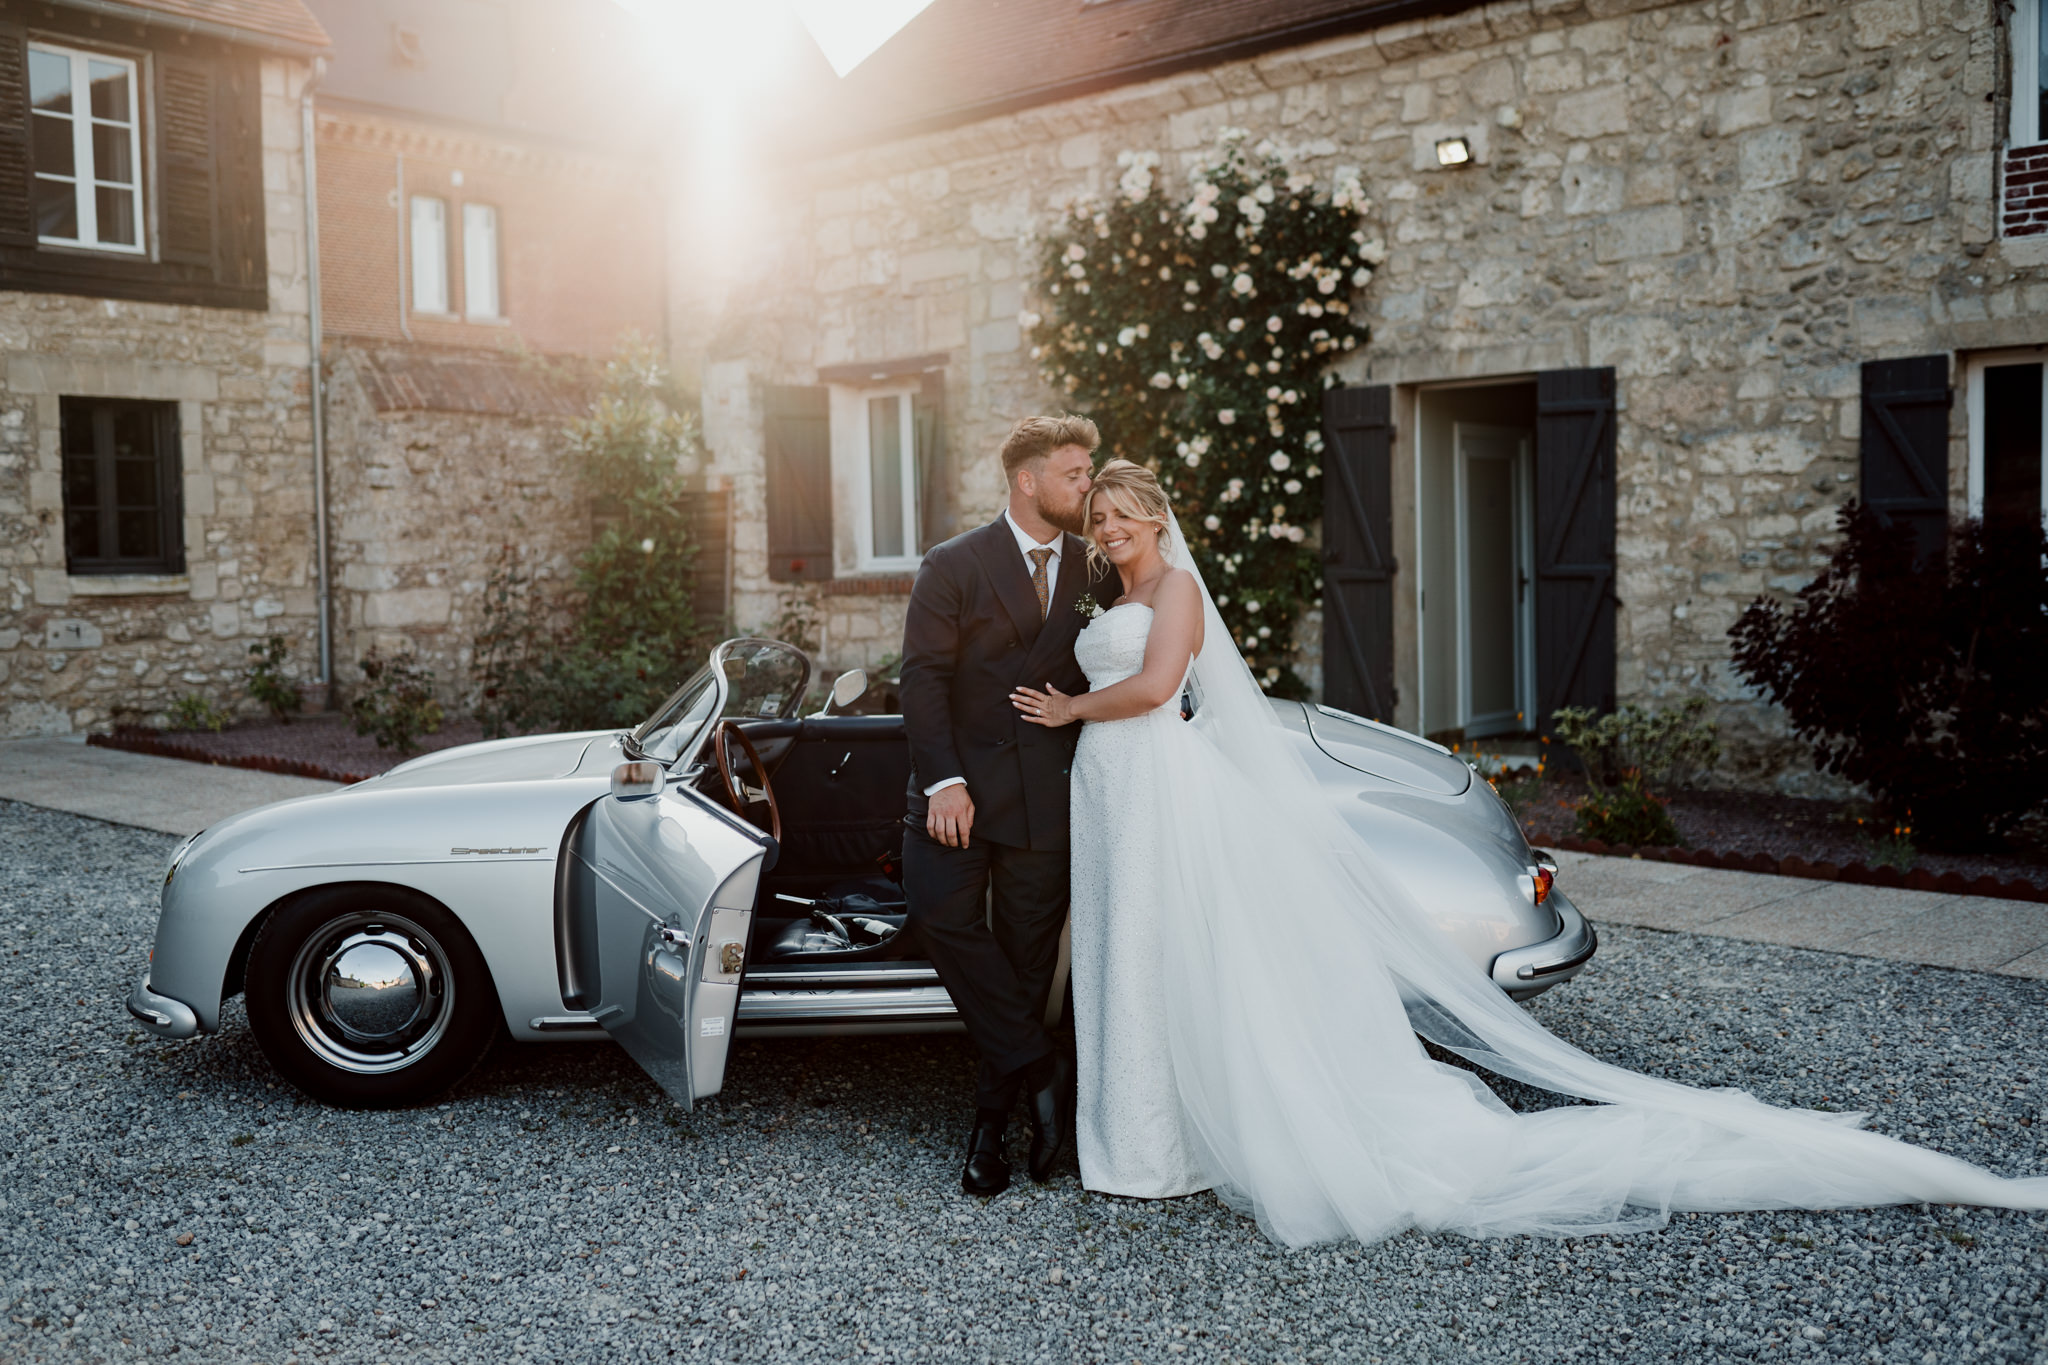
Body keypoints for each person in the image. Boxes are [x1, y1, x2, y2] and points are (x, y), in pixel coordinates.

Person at [1011, 459, 2048, 1246]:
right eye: (1097, 518)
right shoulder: (1106, 600)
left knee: (1161, 944)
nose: (1108, 528)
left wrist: (1067, 708)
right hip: (1111, 788)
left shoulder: (1176, 596)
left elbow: (1154, 693)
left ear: (1153, 519)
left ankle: (1165, 1146)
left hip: (1151, 778)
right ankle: (1131, 1138)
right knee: (1122, 952)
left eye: (1120, 515)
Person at [898, 414, 1124, 1197]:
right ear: (1027, 481)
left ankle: (990, 1124)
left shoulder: (1097, 568)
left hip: (1045, 794)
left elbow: (1130, 652)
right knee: (937, 911)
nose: (1086, 485)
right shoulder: (954, 563)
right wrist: (944, 782)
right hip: (957, 788)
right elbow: (921, 679)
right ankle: (1041, 1064)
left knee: (1028, 961)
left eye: (1087, 470)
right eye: (1073, 472)